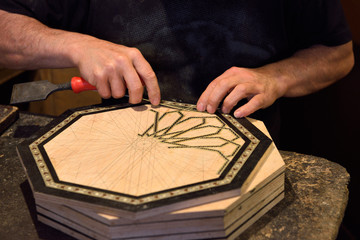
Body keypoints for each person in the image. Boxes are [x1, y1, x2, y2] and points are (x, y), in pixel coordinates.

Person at [0, 0, 354, 141]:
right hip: (116, 146)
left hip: (245, 153)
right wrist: (74, 45)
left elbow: (338, 53)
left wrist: (276, 77)